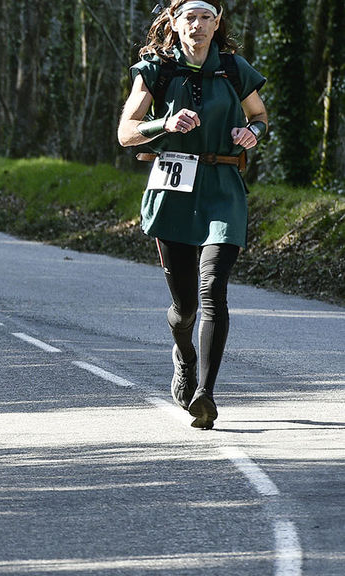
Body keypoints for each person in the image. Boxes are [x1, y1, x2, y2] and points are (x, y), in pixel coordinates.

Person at [118, 0, 266, 430]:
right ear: (174, 22)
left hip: (223, 187)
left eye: (206, 18)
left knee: (212, 289)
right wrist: (163, 124)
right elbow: (127, 132)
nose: (197, 26)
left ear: (216, 23)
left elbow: (259, 116)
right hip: (174, 190)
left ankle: (205, 394)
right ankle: (183, 352)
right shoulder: (156, 70)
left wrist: (250, 132)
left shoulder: (234, 68)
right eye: (189, 17)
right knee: (184, 309)